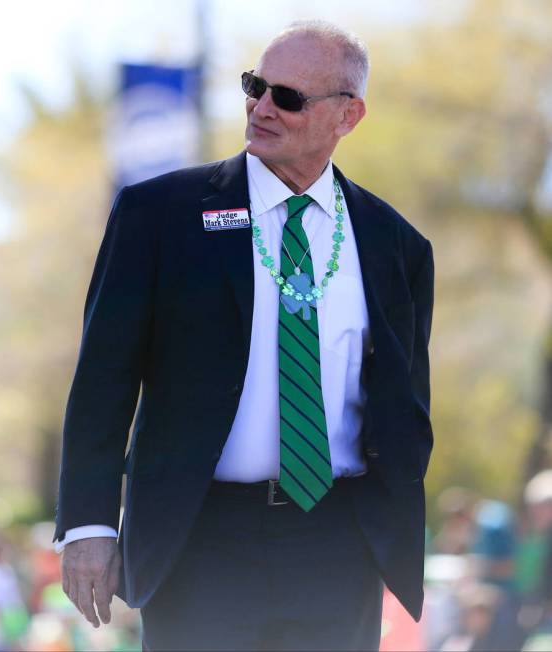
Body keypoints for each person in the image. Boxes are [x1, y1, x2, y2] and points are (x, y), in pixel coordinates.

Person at [54, 20, 434, 651]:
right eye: (254, 86)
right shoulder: (159, 215)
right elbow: (103, 381)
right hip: (199, 539)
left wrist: (391, 530)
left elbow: (405, 404)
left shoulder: (398, 245)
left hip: (339, 545)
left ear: (348, 115)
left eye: (288, 97)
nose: (261, 108)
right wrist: (89, 522)